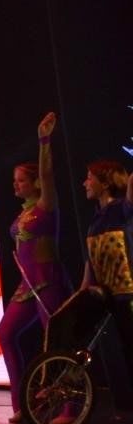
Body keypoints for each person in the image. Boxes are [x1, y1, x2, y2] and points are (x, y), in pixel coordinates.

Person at [0, 112, 68, 423]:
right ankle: (22, 404)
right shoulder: (22, 214)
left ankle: (69, 407)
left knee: (56, 342)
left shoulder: (45, 206)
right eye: (14, 181)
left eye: (21, 180)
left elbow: (48, 174)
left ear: (36, 183)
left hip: (47, 281)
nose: (16, 185)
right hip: (27, 285)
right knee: (4, 333)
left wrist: (44, 141)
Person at [79, 157, 133, 399]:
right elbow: (90, 261)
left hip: (128, 294)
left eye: (89, 178)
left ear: (105, 182)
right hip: (109, 295)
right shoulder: (95, 220)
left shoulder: (123, 209)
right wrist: (83, 290)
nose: (84, 183)